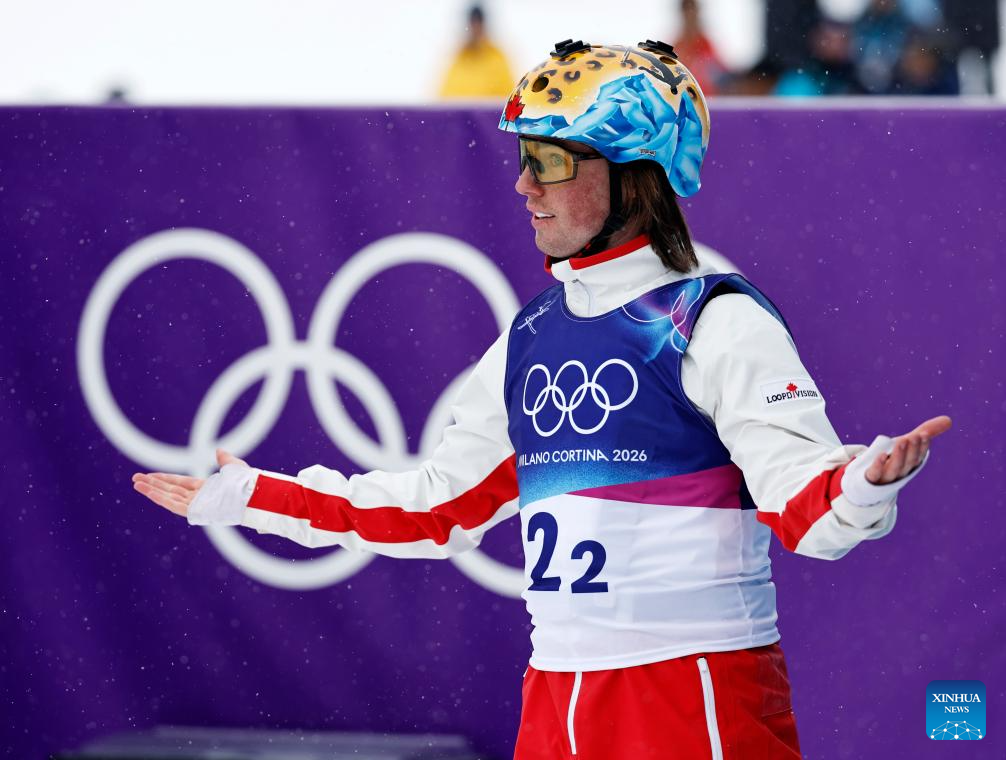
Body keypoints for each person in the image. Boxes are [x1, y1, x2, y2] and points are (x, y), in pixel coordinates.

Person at [133, 39, 952, 760]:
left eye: (551, 161)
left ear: (634, 175)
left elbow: (804, 509)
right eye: (523, 158)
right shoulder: (531, 334)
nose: (525, 185)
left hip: (693, 696)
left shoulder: (714, 320)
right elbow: (439, 509)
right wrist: (259, 496)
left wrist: (861, 486)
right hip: (556, 702)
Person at [438, 4, 513, 100]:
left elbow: (509, 97)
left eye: (478, 25)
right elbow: (444, 98)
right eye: (473, 25)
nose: (475, 29)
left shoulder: (498, 61)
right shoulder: (457, 60)